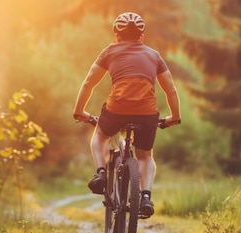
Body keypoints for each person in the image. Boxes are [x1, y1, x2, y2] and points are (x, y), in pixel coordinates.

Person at [73, 12, 181, 218]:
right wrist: (174, 117)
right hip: (147, 113)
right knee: (145, 156)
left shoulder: (109, 52)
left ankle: (101, 172)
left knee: (100, 136)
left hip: (116, 110)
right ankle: (146, 196)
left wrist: (79, 112)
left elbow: (89, 83)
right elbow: (171, 90)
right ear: (141, 36)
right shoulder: (153, 55)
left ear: (116, 35)